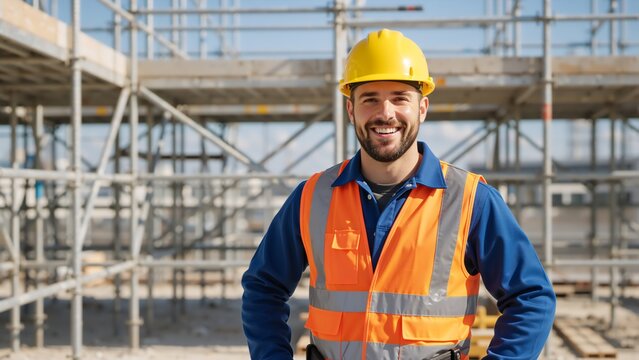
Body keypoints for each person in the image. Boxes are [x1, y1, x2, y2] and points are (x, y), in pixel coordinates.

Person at [242, 28, 556, 360]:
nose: (386, 113)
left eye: (399, 97)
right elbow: (263, 289)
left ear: (422, 108)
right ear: (351, 110)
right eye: (370, 99)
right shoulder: (312, 197)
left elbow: (531, 297)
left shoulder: (470, 200)